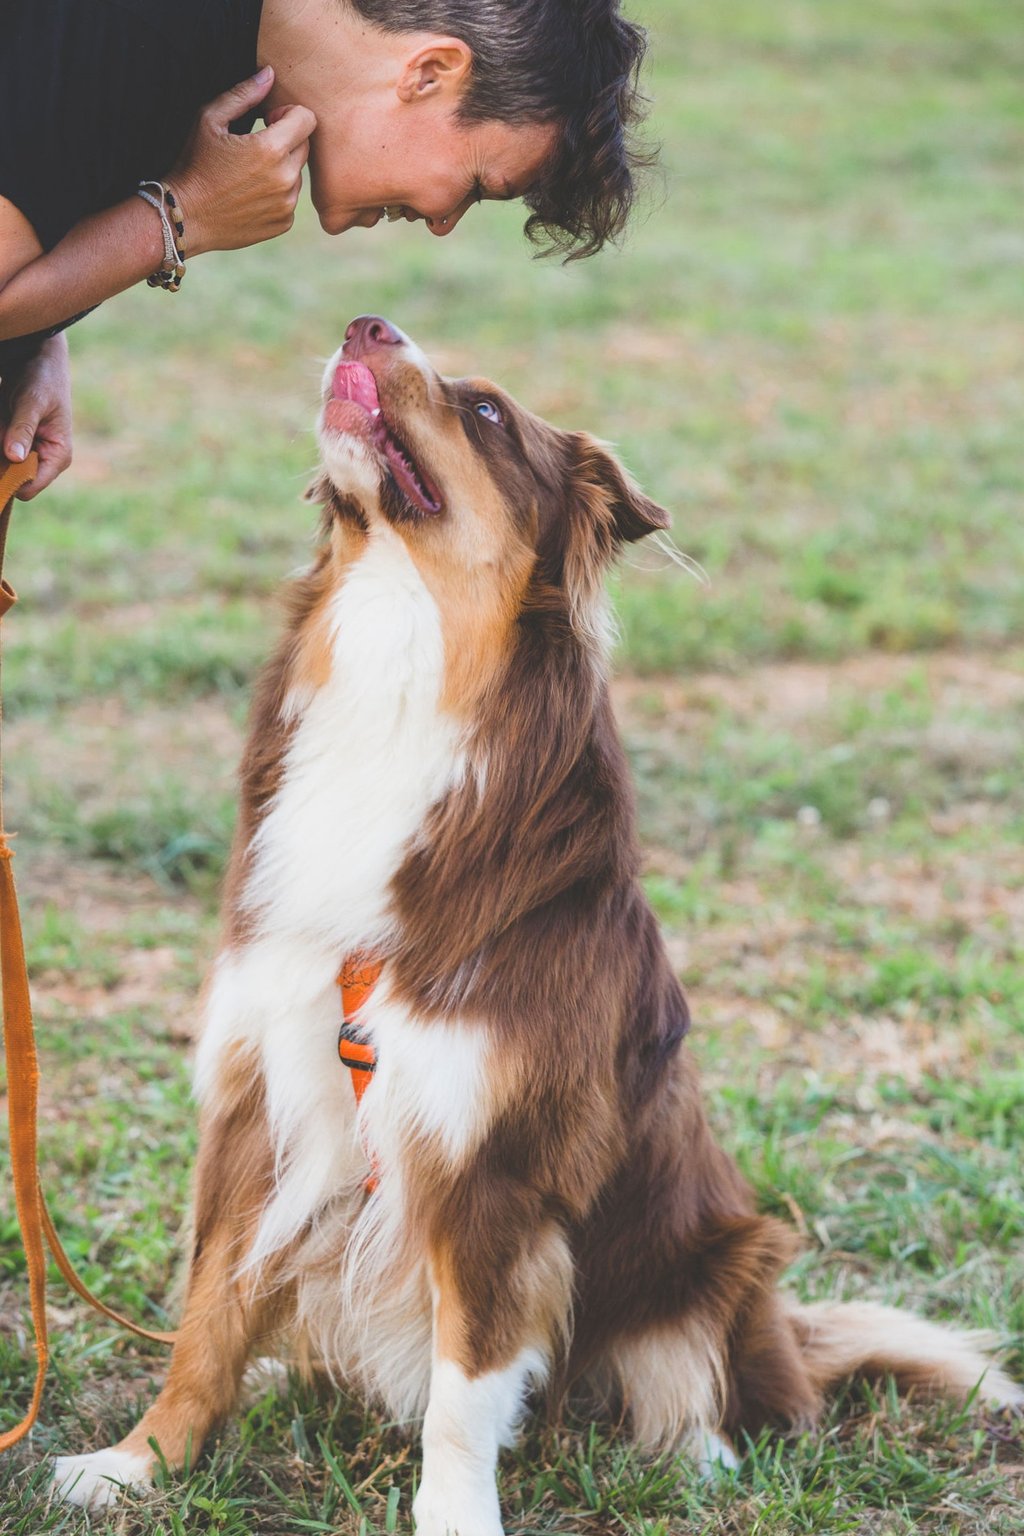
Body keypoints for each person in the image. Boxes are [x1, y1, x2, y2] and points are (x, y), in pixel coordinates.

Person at [0, 0, 650, 500]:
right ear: (430, 71)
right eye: (477, 186)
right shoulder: (142, 33)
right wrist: (179, 217)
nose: (442, 221)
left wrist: (36, 341)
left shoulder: (209, 45)